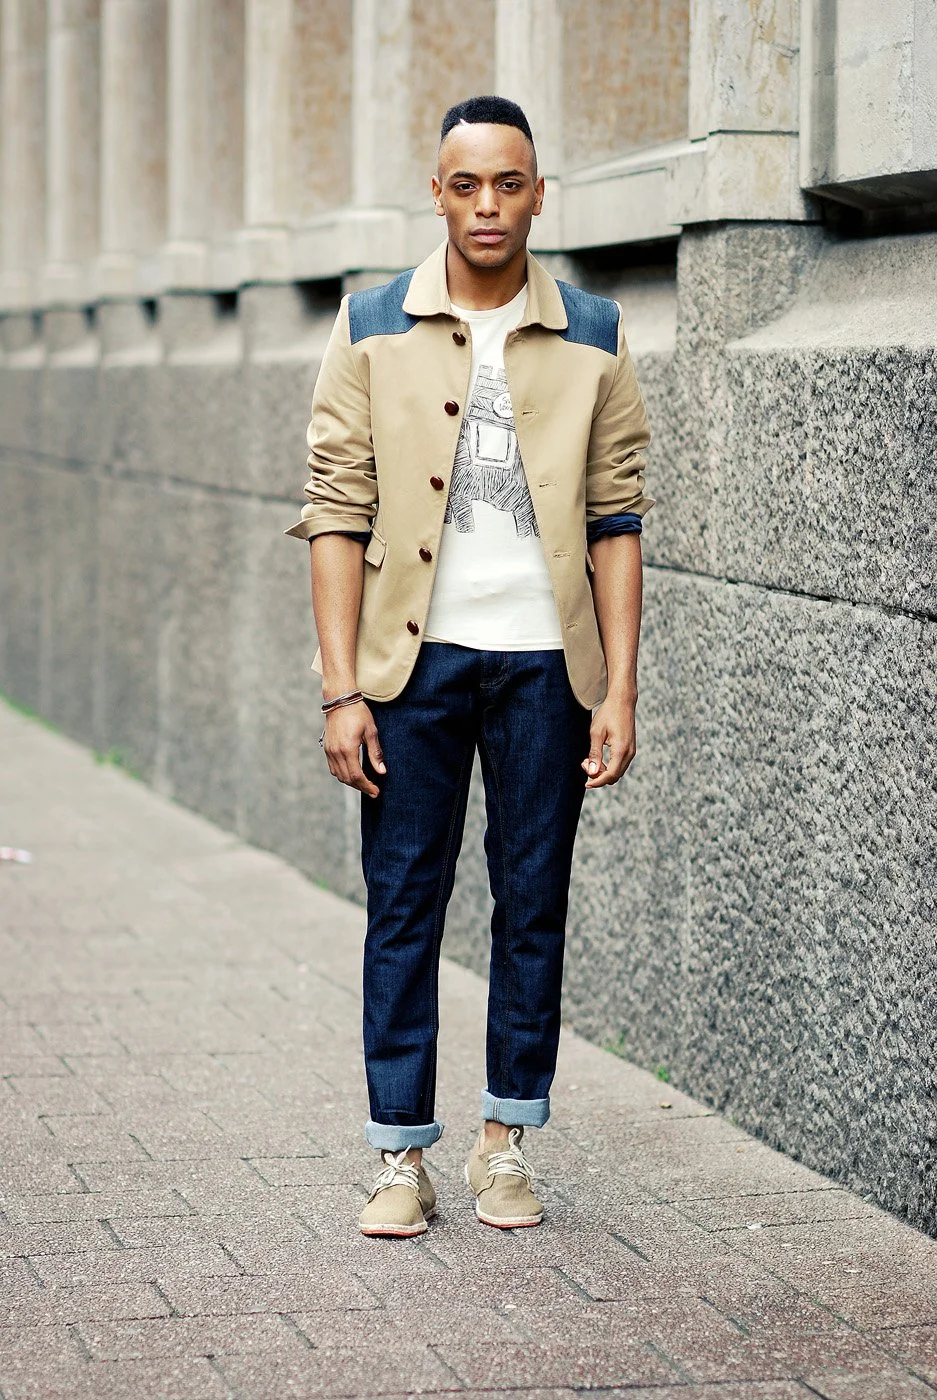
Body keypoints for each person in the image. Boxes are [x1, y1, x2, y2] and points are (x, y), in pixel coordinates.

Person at [286, 95, 653, 1237]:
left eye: (509, 184)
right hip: (412, 669)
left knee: (531, 901)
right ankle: (399, 1155)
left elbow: (617, 515)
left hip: (548, 667)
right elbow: (336, 507)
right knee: (404, 904)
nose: (487, 205)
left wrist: (619, 687)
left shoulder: (593, 328)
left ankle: (506, 1141)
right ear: (435, 192)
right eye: (465, 185)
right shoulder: (371, 320)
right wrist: (341, 686)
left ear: (540, 194)